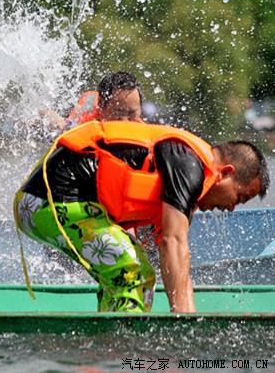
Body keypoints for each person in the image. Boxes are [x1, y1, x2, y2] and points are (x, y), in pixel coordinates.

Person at [14, 120, 269, 313]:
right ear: (226, 172)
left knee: (126, 273)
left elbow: (179, 262)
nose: (231, 208)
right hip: (47, 202)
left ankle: (105, 345)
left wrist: (189, 315)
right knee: (135, 273)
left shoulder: (188, 173)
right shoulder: (189, 165)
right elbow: (172, 243)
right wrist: (185, 324)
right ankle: (122, 353)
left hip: (46, 204)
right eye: (239, 197)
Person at [40, 71, 143, 134]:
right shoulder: (83, 125)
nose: (125, 122)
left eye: (132, 114)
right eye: (118, 114)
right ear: (101, 105)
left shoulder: (145, 137)